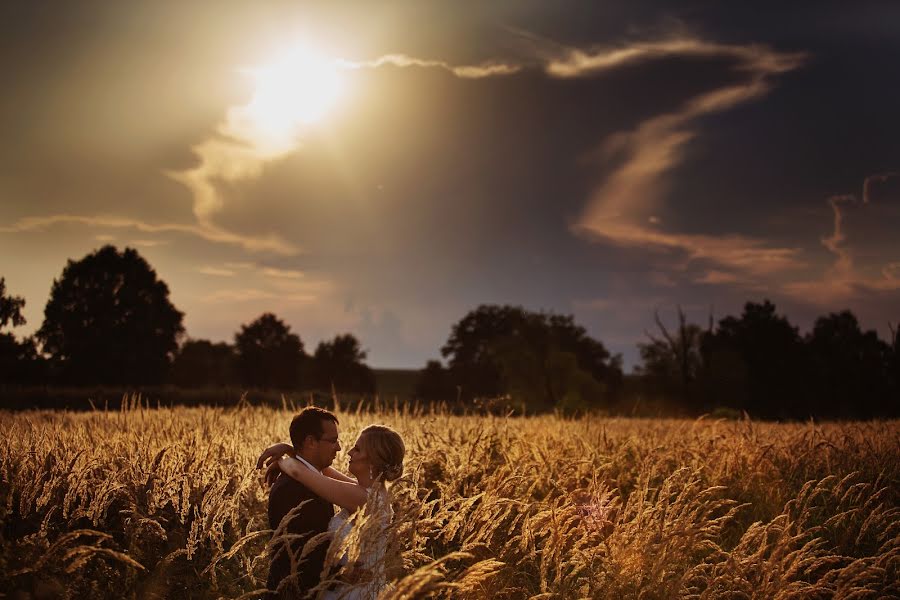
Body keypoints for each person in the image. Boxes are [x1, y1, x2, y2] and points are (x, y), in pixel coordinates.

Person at [258, 423, 405, 600]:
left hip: (354, 591)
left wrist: (280, 458)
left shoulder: (362, 498)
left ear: (373, 460)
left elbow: (298, 472)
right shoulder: (371, 492)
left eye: (357, 449)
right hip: (351, 585)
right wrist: (290, 449)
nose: (349, 452)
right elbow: (322, 470)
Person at [264, 407, 341, 599]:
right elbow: (301, 556)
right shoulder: (292, 488)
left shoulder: (310, 479)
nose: (339, 448)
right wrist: (344, 573)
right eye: (333, 441)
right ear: (310, 442)